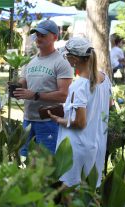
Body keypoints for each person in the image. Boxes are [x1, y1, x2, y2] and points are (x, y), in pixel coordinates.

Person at [48, 37, 112, 187]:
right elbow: (107, 105)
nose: (66, 59)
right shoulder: (104, 78)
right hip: (96, 145)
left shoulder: (79, 86)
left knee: (70, 192)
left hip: (77, 147)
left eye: (66, 56)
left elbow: (80, 123)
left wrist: (58, 119)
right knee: (88, 191)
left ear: (75, 59)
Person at [13, 19, 73, 155]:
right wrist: (15, 87)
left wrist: (36, 95)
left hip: (48, 121)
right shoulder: (30, 61)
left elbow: (64, 95)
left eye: (43, 35)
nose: (38, 38)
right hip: (28, 120)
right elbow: (23, 83)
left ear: (55, 37)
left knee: (45, 166)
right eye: (37, 34)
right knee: (24, 161)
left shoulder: (61, 62)